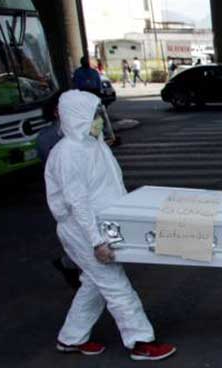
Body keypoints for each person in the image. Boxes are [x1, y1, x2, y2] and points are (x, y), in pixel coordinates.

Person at [45, 90, 176, 361]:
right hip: (82, 230)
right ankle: (141, 342)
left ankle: (70, 338)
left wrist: (128, 217)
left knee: (93, 285)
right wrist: (96, 241)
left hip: (104, 224)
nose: (99, 120)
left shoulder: (94, 145)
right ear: (78, 116)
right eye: (93, 115)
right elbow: (77, 203)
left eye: (98, 114)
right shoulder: (67, 154)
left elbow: (112, 185)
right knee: (115, 285)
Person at [38, 99, 81, 289]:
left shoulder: (79, 131)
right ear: (57, 111)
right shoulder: (48, 138)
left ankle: (70, 264)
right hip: (70, 196)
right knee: (83, 238)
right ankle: (69, 264)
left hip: (85, 192)